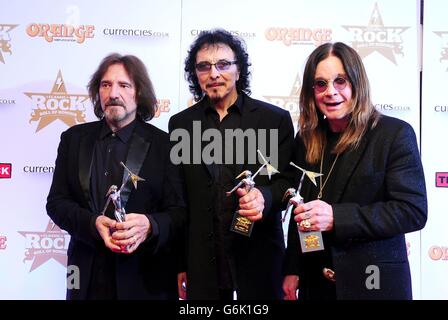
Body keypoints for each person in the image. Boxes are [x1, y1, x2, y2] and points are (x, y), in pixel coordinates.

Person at [282, 42, 427, 300]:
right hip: (316, 284)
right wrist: (292, 268)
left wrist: (337, 217)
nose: (331, 92)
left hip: (375, 283)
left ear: (357, 83)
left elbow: (412, 211)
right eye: (320, 84)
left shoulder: (394, 134)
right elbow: (300, 208)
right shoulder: (305, 140)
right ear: (310, 91)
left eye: (340, 81)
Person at [46, 53, 186, 300]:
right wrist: (92, 224)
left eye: (124, 85)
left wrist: (149, 226)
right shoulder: (73, 139)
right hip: (85, 276)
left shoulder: (165, 145)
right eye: (106, 85)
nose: (113, 94)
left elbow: (180, 212)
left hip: (146, 281)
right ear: (97, 92)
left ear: (139, 93)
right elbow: (56, 203)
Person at [168, 29, 294, 300]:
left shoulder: (274, 120)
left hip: (260, 261)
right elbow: (178, 202)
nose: (214, 73)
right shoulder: (180, 125)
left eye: (223, 64)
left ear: (239, 70)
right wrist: (180, 264)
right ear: (196, 75)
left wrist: (265, 197)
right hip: (202, 266)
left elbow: (287, 182)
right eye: (204, 66)